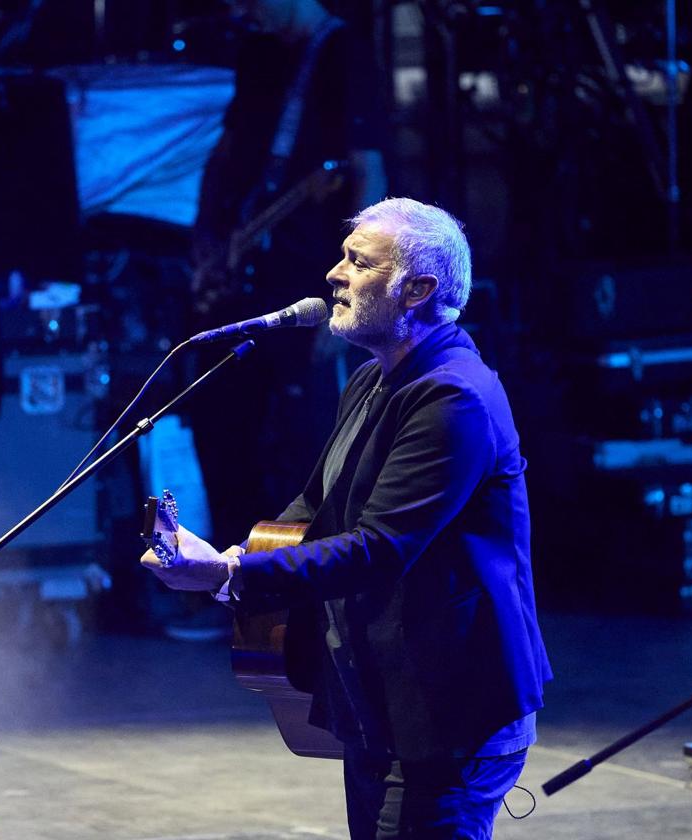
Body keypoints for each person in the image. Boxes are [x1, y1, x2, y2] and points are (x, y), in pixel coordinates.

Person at [143, 198, 552, 838]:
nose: (334, 274)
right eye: (343, 256)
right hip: (380, 706)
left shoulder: (453, 397)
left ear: (418, 289)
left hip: (448, 713)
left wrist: (233, 576)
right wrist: (224, 559)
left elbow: (378, 548)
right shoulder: (371, 379)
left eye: (358, 263)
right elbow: (317, 510)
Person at [188, 0, 389, 550]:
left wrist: (359, 290)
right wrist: (205, 235)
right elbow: (226, 151)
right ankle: (234, 578)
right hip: (240, 277)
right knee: (221, 423)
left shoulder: (343, 51)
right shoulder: (259, 51)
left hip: (306, 282)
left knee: (311, 445)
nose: (242, 10)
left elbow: (368, 173)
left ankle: (309, 593)